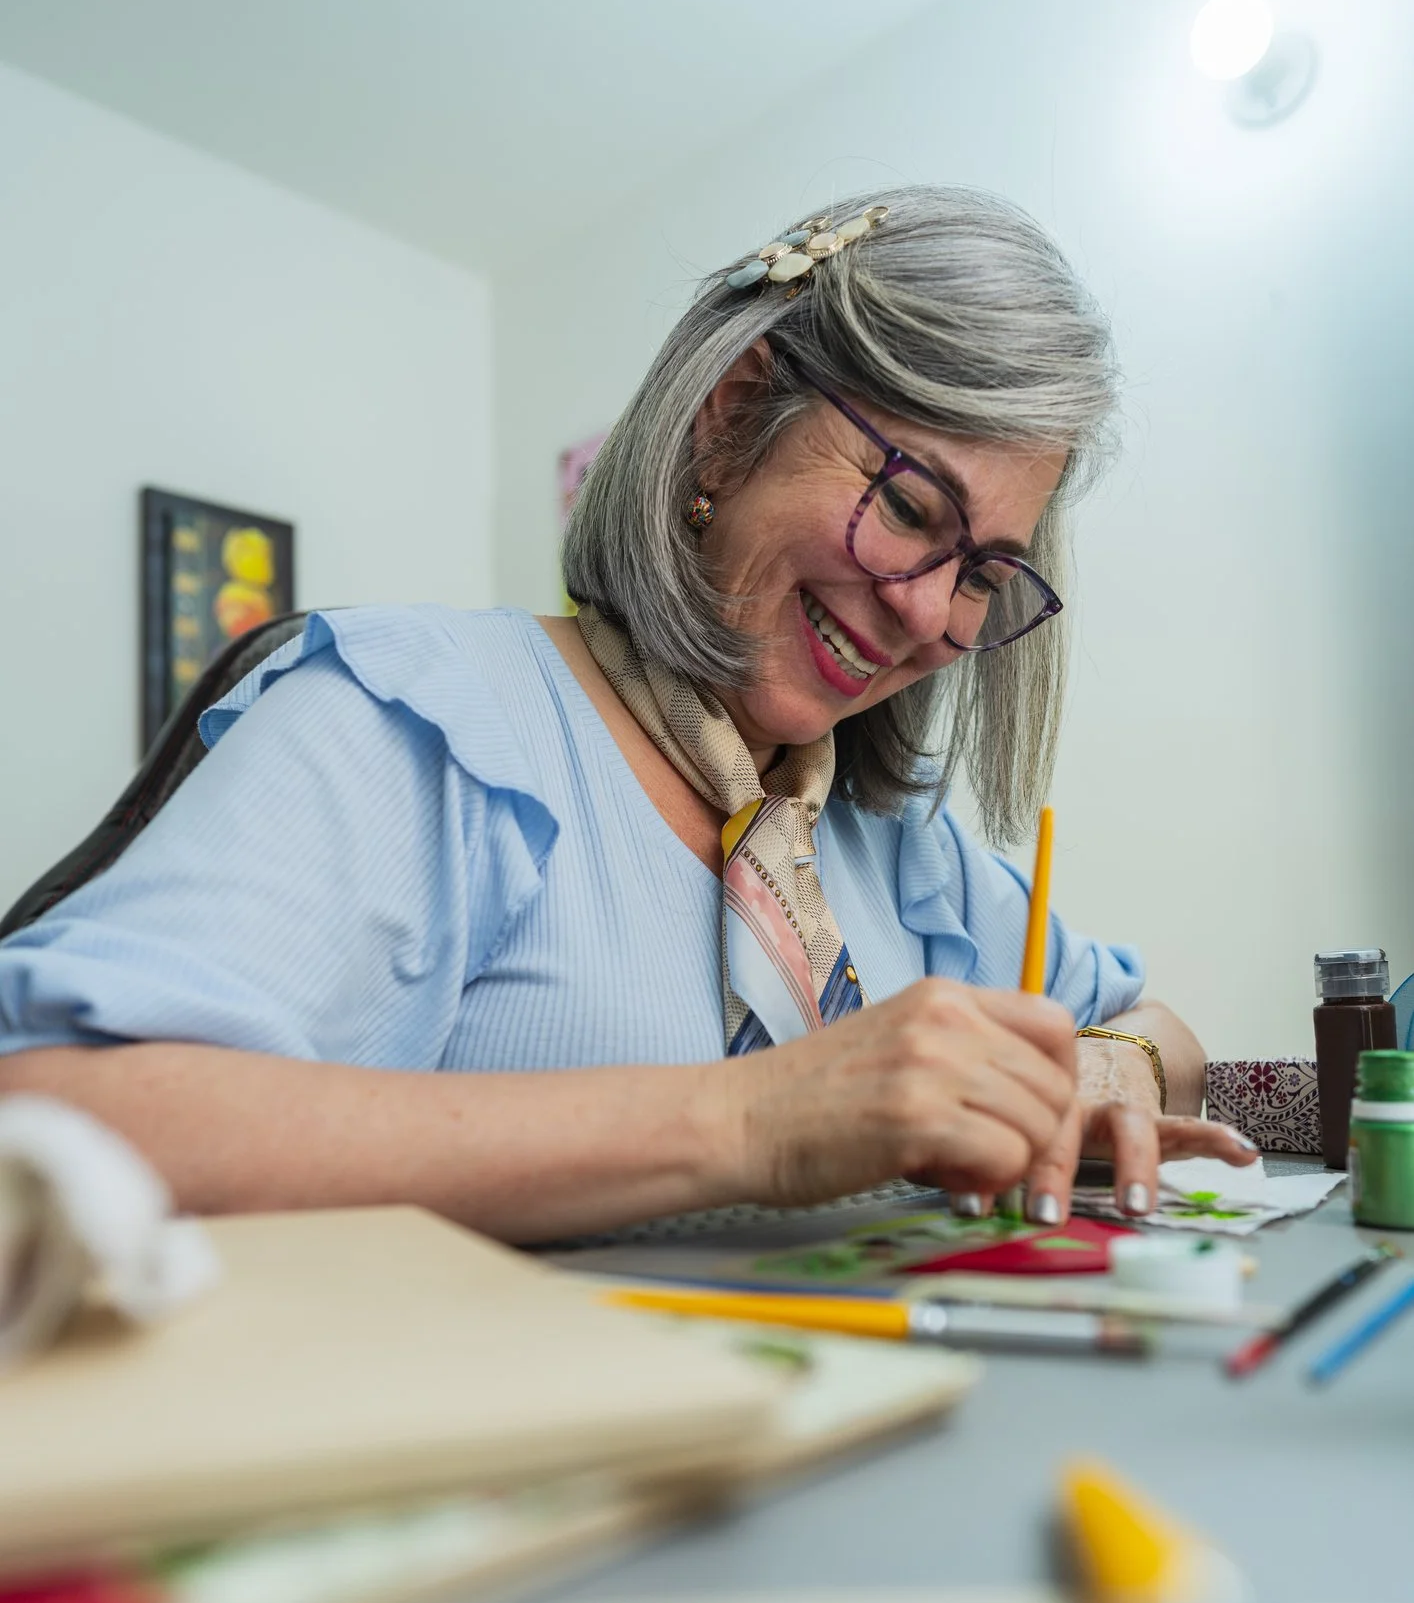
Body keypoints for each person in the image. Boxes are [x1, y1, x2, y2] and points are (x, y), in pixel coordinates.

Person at [0, 186, 1254, 1241]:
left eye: (982, 571)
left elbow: (1160, 1026)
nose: (931, 612)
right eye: (915, 507)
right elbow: (53, 1119)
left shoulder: (899, 848)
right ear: (728, 421)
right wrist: (758, 1120)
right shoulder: (412, 722)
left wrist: (1109, 1069)